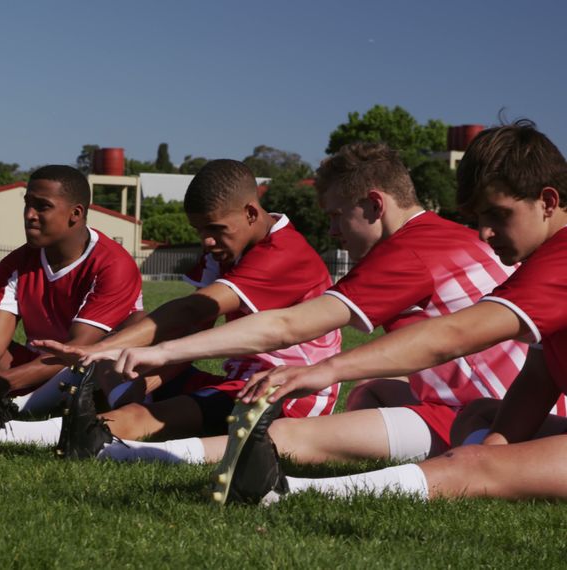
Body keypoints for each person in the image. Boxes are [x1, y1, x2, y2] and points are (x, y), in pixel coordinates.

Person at [72, 142, 528, 468]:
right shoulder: (449, 235)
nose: (331, 231)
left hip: (485, 419)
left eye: (335, 215)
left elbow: (287, 326)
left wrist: (164, 351)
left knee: (273, 436)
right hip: (522, 407)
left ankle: (128, 453)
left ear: (374, 204)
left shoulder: (406, 253)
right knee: (371, 388)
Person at [222, 121, 567, 504]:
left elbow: (453, 335)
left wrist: (326, 370)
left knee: (474, 464)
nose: (485, 232)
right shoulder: (544, 259)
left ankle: (287, 493)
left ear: (548, 202)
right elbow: (538, 380)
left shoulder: (561, 258)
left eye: (499, 215)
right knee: (479, 417)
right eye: (480, 219)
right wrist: (499, 446)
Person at [2, 159, 341, 457]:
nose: (206, 241)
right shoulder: (228, 246)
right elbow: (195, 329)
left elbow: (191, 310)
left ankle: (6, 429)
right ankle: (32, 406)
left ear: (251, 212)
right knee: (123, 350)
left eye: (215, 229)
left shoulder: (285, 252)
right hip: (242, 381)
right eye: (199, 230)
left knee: (137, 410)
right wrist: (139, 374)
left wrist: (102, 350)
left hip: (290, 394)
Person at [0, 165, 143, 437]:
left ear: (76, 214)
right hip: (36, 368)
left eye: (42, 207)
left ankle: (8, 404)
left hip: (90, 371)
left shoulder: (113, 263)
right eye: (27, 205)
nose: (29, 215)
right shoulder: (16, 263)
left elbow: (79, 349)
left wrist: (4, 382)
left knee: (133, 329)